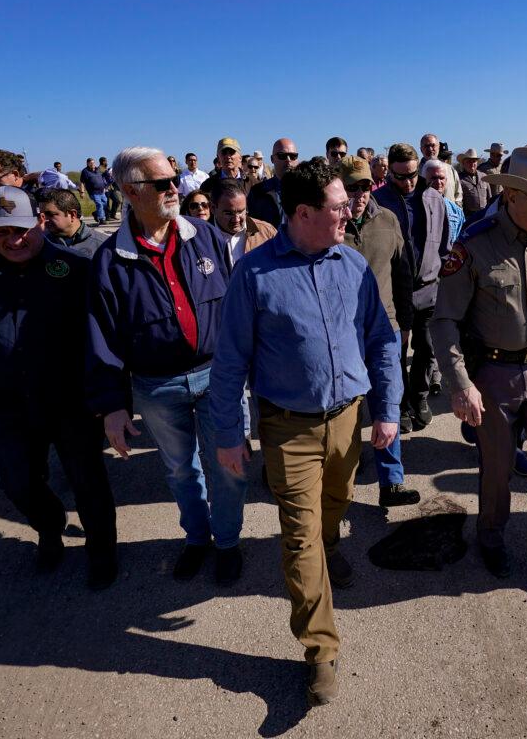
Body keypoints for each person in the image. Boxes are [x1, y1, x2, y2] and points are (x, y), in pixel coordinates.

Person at [210, 157, 401, 707]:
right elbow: (230, 363)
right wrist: (229, 434)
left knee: (334, 507)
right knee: (299, 532)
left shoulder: (353, 263)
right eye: (340, 206)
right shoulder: (255, 273)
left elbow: (382, 340)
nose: (351, 212)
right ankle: (320, 651)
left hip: (347, 420)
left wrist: (387, 410)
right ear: (302, 213)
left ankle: (333, 539)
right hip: (287, 428)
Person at [0, 186, 119, 589]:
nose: (14, 240)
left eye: (21, 230)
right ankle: (50, 529)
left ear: (38, 221)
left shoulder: (73, 266)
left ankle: (102, 549)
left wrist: (110, 398)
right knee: (17, 481)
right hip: (10, 403)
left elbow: (103, 335)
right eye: (2, 233)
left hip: (72, 400)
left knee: (88, 480)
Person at [431, 145, 527, 597]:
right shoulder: (473, 246)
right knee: (496, 470)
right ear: (512, 196)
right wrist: (460, 385)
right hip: (494, 376)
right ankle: (491, 538)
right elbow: (444, 322)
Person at [85, 147, 243, 585]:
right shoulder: (110, 261)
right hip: (157, 387)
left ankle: (228, 542)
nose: (175, 188)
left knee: (230, 465)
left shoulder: (205, 237)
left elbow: (236, 308)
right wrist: (113, 406)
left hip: (219, 377)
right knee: (181, 470)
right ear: (131, 191)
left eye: (173, 178)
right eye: (162, 183)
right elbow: (103, 338)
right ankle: (197, 538)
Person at [339, 155, 419, 507]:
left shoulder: (388, 220)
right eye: (351, 187)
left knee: (388, 401)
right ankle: (343, 483)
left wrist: (406, 323)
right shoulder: (330, 226)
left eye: (364, 186)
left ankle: (392, 482)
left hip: (385, 327)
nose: (359, 194)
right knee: (347, 410)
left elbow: (404, 275)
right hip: (341, 333)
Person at [373, 142, 450, 433]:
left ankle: (419, 397)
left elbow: (443, 245)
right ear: (389, 171)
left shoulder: (434, 198)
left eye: (412, 175)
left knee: (428, 349)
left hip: (430, 289)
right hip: (393, 293)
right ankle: (400, 402)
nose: (407, 182)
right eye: (400, 176)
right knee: (395, 352)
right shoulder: (378, 201)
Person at [211, 180, 277, 264]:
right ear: (213, 208)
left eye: (241, 212)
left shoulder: (266, 232)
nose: (236, 219)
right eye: (228, 213)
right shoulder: (202, 237)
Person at [38, 187, 109, 259]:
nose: (43, 219)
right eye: (41, 215)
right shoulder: (39, 242)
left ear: (72, 214)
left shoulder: (104, 246)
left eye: (50, 214)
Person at [248, 138, 299, 225]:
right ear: (272, 159)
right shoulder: (257, 192)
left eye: (293, 156)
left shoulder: (307, 190)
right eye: (282, 155)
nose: (288, 160)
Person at [423, 159, 465, 242]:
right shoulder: (415, 207)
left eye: (441, 178)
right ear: (424, 179)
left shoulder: (456, 211)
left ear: (446, 180)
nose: (438, 182)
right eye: (433, 178)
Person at [419, 134, 462, 205]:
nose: (430, 149)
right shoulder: (415, 173)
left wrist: (457, 210)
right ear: (421, 149)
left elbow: (458, 194)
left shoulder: (450, 169)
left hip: (450, 214)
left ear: (438, 147)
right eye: (426, 146)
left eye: (433, 145)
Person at [457, 148, 493, 216]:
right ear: (463, 163)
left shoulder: (484, 177)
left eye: (474, 161)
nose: (472, 164)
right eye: (469, 161)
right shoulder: (459, 179)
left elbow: (489, 198)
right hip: (468, 216)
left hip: (484, 214)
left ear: (477, 163)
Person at [80, 157, 110, 226]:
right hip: (93, 192)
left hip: (102, 191)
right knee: (99, 204)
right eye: (91, 163)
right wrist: (82, 192)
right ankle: (101, 219)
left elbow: (106, 176)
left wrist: (106, 185)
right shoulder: (85, 171)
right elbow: (82, 182)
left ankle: (96, 213)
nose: (92, 164)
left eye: (93, 163)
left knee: (105, 203)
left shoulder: (98, 169)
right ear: (87, 163)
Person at [101, 156, 124, 220]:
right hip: (108, 188)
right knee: (108, 203)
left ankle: (112, 214)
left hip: (114, 188)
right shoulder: (110, 169)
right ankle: (107, 216)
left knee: (117, 201)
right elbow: (107, 179)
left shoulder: (122, 170)